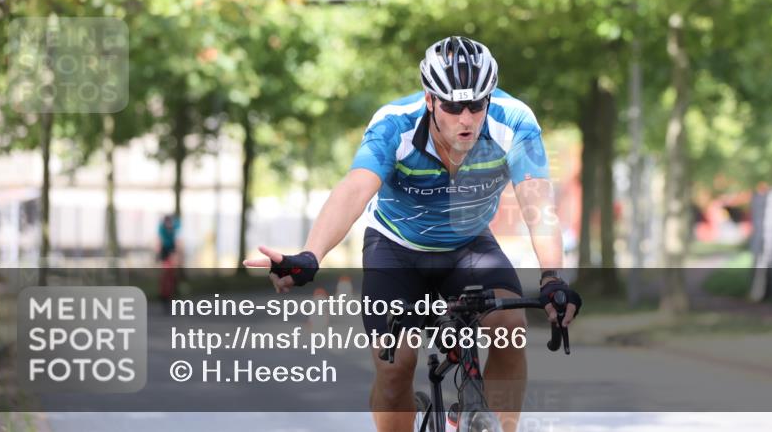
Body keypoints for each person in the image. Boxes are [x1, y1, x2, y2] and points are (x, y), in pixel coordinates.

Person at [245, 36, 582, 432]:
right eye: (453, 106)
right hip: (396, 248)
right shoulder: (394, 124)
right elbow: (355, 187)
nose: (467, 118)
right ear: (430, 100)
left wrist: (552, 278)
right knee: (396, 365)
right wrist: (310, 255)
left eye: (476, 105)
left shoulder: (515, 122)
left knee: (510, 330)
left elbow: (537, 204)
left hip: (468, 245)